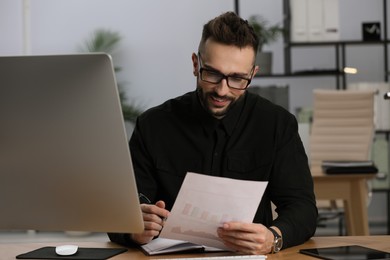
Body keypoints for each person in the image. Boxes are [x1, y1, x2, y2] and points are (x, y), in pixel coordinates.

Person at [108, 11, 317, 255]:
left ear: (253, 74)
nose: (222, 90)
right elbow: (122, 211)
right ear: (196, 64)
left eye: (238, 78)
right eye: (213, 74)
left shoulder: (277, 124)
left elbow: (303, 208)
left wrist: (273, 237)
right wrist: (133, 228)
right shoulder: (152, 124)